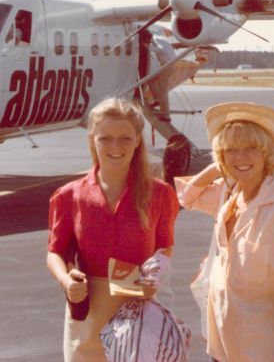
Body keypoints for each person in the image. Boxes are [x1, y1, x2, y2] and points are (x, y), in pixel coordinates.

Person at [175, 102, 274, 362]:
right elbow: (187, 196)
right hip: (222, 341)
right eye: (232, 150)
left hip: (265, 347)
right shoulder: (229, 195)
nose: (241, 157)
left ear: (267, 154)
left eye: (251, 148)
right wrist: (219, 166)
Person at [46, 97, 180, 361]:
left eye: (125, 138)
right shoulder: (69, 195)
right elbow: (55, 252)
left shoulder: (160, 194)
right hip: (87, 313)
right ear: (92, 140)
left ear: (138, 140)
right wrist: (65, 280)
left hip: (137, 311)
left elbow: (164, 246)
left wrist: (156, 273)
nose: (115, 146)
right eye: (105, 138)